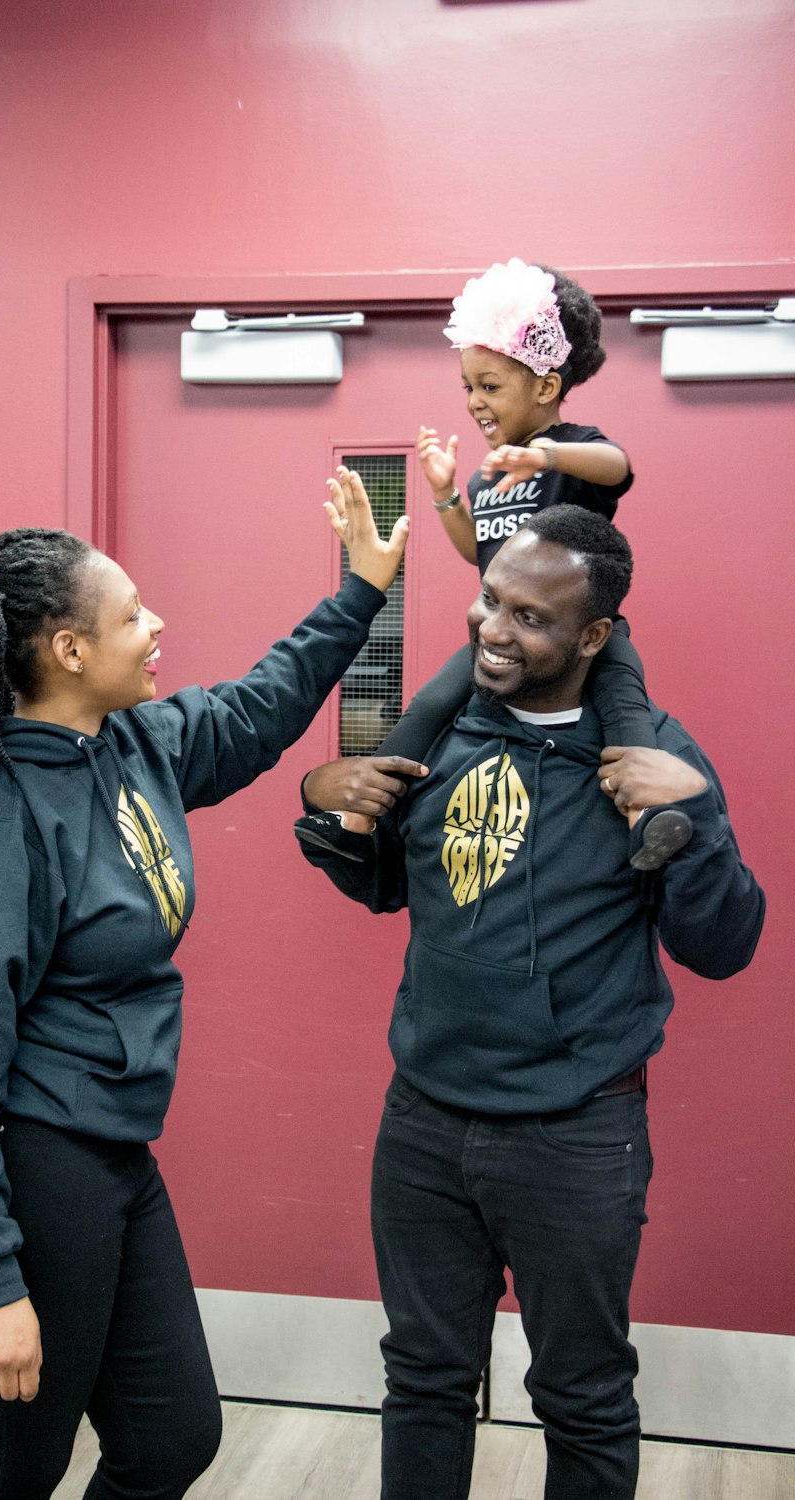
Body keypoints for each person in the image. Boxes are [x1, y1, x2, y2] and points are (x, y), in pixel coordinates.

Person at [0, 470, 408, 1500]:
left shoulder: (126, 746)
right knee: (10, 1474)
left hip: (106, 1150)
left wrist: (362, 591)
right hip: (19, 1169)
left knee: (169, 1438)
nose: (156, 625)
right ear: (69, 651)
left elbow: (255, 710)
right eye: (129, 615)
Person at [294, 503, 765, 1500]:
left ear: (594, 637)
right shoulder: (444, 733)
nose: (492, 631)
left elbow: (724, 944)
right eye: (488, 601)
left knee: (582, 1397)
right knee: (422, 1380)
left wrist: (693, 818)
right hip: (421, 1121)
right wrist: (332, 802)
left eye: (530, 618)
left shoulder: (650, 759)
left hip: (574, 1134)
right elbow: (387, 884)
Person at [347, 259, 690, 869]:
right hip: (503, 634)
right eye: (469, 388)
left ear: (545, 387)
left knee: (626, 711)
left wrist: (548, 456)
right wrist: (447, 492)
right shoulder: (493, 473)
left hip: (581, 638)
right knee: (427, 707)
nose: (476, 402)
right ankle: (355, 822)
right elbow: (476, 551)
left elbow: (619, 466)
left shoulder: (572, 450)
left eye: (490, 386)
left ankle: (650, 822)